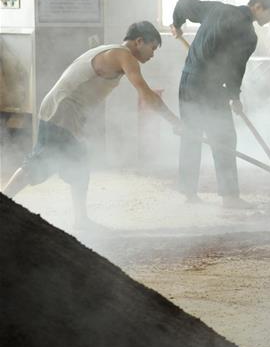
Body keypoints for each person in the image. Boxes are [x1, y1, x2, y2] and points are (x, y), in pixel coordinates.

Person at [2, 21, 181, 230]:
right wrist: (175, 122)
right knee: (40, 162)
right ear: (139, 41)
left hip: (65, 110)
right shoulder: (125, 56)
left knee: (78, 164)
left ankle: (80, 220)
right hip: (62, 110)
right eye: (152, 48)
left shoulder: (111, 51)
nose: (152, 55)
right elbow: (147, 95)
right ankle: (4, 202)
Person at [170, 0, 270, 208]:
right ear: (258, 6)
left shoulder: (216, 9)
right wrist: (234, 96)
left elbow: (182, 4)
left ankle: (189, 194)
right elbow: (235, 69)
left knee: (191, 135)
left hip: (189, 80)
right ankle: (230, 197)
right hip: (211, 88)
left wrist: (177, 24)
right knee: (224, 138)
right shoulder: (249, 35)